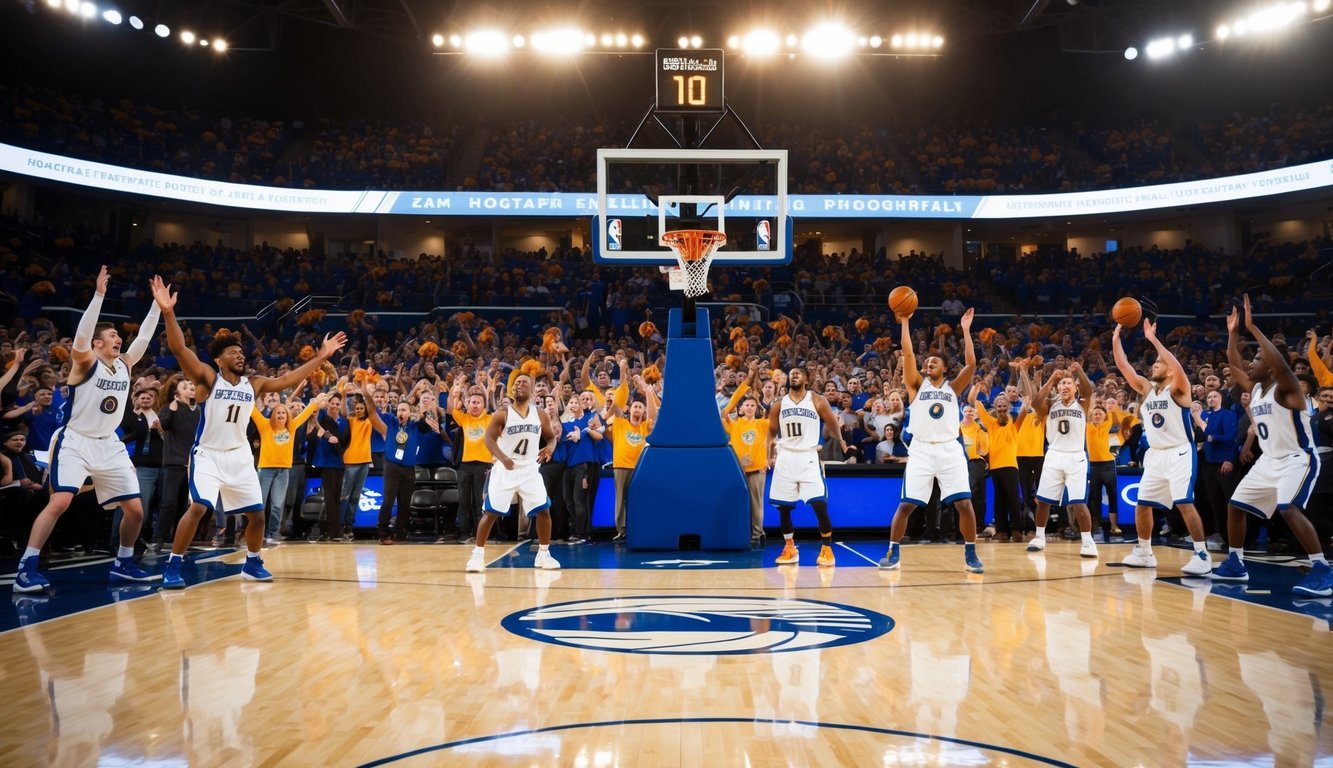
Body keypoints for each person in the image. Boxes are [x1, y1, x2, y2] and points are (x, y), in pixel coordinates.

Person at [150, 275, 347, 589]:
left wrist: (322, 357)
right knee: (199, 507)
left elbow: (289, 379)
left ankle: (253, 562)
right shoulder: (207, 378)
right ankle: (173, 565)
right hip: (208, 455)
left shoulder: (253, 383)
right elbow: (178, 348)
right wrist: (168, 312)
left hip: (240, 454)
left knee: (256, 515)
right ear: (219, 359)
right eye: (233, 352)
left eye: (242, 352)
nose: (240, 355)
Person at [14, 266, 162, 593]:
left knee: (135, 510)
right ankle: (27, 567)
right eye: (112, 336)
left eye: (118, 337)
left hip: (108, 444)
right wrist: (98, 296)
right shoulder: (85, 362)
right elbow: (81, 337)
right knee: (60, 502)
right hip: (75, 441)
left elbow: (145, 337)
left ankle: (123, 564)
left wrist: (158, 307)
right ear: (98, 343)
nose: (119, 339)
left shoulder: (124, 364)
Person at [1210, 297, 1329, 594]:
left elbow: (1278, 361)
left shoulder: (1287, 388)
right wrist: (1234, 333)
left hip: (1296, 458)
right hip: (1268, 462)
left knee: (1288, 507)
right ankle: (1235, 563)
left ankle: (1322, 570)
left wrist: (1253, 327)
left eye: (1258, 360)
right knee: (1235, 507)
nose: (1251, 363)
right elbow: (1233, 362)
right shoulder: (1257, 388)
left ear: (1272, 365)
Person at [879, 308, 984, 574]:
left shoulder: (953, 388)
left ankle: (971, 553)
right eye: (926, 364)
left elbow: (971, 364)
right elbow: (908, 353)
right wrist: (904, 322)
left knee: (964, 504)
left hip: (950, 450)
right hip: (922, 451)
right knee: (906, 505)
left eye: (933, 363)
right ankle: (893, 550)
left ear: (945, 368)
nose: (927, 366)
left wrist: (965, 331)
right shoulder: (916, 385)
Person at [1112, 318, 1213, 575]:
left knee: (1184, 502)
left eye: (1158, 363)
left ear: (1169, 371)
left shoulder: (1179, 389)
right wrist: (1116, 341)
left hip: (1179, 451)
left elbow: (1177, 367)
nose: (1153, 365)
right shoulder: (1147, 389)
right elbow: (1124, 367)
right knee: (1143, 504)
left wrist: (1154, 340)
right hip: (1155, 455)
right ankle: (1145, 552)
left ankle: (1202, 554)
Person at [465, 370, 561, 572]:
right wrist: (503, 458)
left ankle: (543, 555)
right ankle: (477, 556)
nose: (519, 385)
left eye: (524, 382)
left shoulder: (540, 414)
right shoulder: (503, 414)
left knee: (543, 510)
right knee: (490, 512)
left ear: (533, 389)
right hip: (506, 469)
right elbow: (489, 439)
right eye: (516, 383)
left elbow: (551, 437)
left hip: (530, 469)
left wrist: (550, 448)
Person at [768, 366, 848, 567]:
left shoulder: (817, 400)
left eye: (798, 373)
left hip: (808, 457)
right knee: (784, 508)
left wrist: (841, 439)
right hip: (785, 457)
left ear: (806, 378)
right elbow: (770, 432)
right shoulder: (778, 404)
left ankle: (827, 548)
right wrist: (767, 454)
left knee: (819, 505)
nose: (794, 375)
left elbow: (832, 422)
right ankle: (790, 548)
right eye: (791, 373)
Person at [1025, 362, 1099, 558]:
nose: (1065, 386)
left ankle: (1088, 541)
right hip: (1054, 454)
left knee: (1078, 502)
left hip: (1076, 456)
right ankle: (1039, 537)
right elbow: (1035, 402)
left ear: (1075, 388)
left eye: (1069, 383)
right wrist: (1051, 379)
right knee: (1043, 501)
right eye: (1062, 384)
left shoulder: (1082, 404)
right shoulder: (1050, 405)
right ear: (1058, 388)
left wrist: (1080, 371)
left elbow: (1088, 390)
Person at [251, 391, 322, 546]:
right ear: (273, 415)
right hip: (266, 470)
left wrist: (316, 401)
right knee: (260, 505)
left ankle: (272, 534)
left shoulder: (292, 427)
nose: (281, 415)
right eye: (278, 412)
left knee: (277, 505)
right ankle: (257, 533)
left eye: (283, 412)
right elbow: (253, 410)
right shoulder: (264, 425)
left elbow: (306, 412)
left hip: (283, 471)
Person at [365, 383, 431, 544]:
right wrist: (367, 396)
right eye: (399, 410)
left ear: (409, 413)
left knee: (405, 503)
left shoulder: (415, 426)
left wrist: (425, 409)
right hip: (391, 467)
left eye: (404, 410)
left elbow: (424, 425)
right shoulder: (390, 426)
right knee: (388, 500)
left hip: (408, 468)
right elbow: (373, 414)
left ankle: (399, 531)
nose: (401, 412)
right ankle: (383, 533)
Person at [606, 353, 657, 542]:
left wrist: (648, 392)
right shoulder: (620, 422)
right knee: (620, 500)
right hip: (621, 466)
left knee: (640, 498)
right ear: (630, 409)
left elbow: (654, 415)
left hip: (640, 467)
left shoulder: (645, 426)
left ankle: (641, 526)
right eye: (635, 407)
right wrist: (623, 371)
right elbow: (620, 397)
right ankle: (622, 530)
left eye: (639, 407)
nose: (637, 410)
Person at [970, 380, 1027, 542]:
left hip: (1010, 467)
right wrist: (976, 388)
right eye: (999, 407)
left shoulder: (1015, 425)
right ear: (995, 409)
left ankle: (1017, 530)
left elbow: (1025, 407)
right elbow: (973, 401)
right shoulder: (991, 423)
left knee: (1014, 499)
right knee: (999, 500)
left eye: (1004, 406)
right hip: (995, 467)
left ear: (1008, 407)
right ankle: (1001, 531)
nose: (1001, 409)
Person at [724, 360, 771, 547]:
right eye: (747, 405)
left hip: (756, 470)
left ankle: (757, 536)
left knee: (756, 504)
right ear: (741, 408)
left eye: (753, 405)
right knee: (736, 503)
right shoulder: (734, 424)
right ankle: (737, 534)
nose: (750, 408)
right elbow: (725, 411)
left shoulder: (761, 424)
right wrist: (746, 383)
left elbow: (773, 426)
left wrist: (760, 399)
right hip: (737, 471)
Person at [450, 377, 494, 544]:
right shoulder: (464, 418)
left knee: (479, 501)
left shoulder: (490, 420)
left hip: (483, 465)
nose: (475, 405)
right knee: (464, 501)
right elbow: (453, 408)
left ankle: (480, 534)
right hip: (465, 465)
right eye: (472, 402)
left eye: (478, 402)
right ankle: (464, 533)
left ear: (484, 405)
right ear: (468, 404)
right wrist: (458, 390)